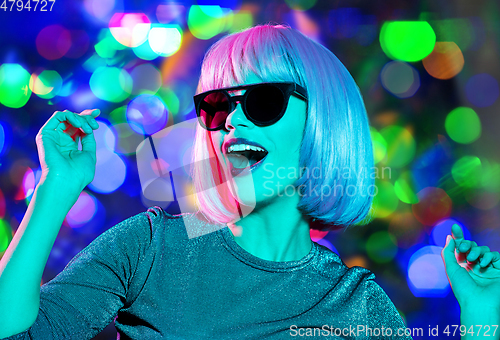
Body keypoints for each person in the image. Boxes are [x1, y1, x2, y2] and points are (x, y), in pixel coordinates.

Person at [0, 23, 499, 340]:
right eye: (217, 105)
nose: (234, 121)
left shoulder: (359, 304)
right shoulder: (153, 246)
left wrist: (482, 317)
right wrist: (55, 189)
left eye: (263, 101)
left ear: (321, 123)